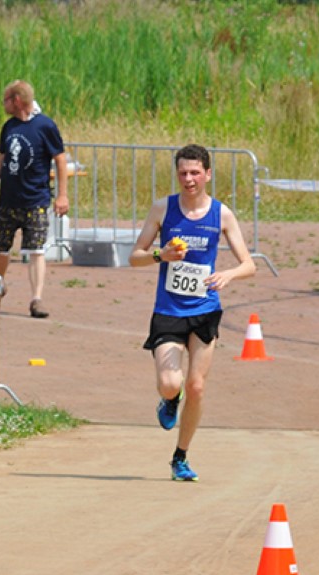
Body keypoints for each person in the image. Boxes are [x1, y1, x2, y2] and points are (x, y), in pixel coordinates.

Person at [129, 143, 256, 481]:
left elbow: (249, 264)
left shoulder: (221, 214)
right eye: (183, 173)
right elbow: (135, 256)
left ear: (208, 174)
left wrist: (228, 274)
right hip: (169, 310)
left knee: (197, 387)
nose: (189, 179)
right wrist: (161, 255)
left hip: (205, 309)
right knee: (171, 383)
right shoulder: (163, 209)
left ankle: (180, 457)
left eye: (195, 173)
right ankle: (171, 399)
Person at [0, 80, 69, 318]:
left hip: (36, 200)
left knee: (36, 250)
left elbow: (60, 160)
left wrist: (62, 195)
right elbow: (2, 156)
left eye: (5, 100)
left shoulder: (45, 126)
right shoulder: (9, 127)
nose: (3, 105)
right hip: (8, 200)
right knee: (1, 249)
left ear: (17, 100)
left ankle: (36, 299)